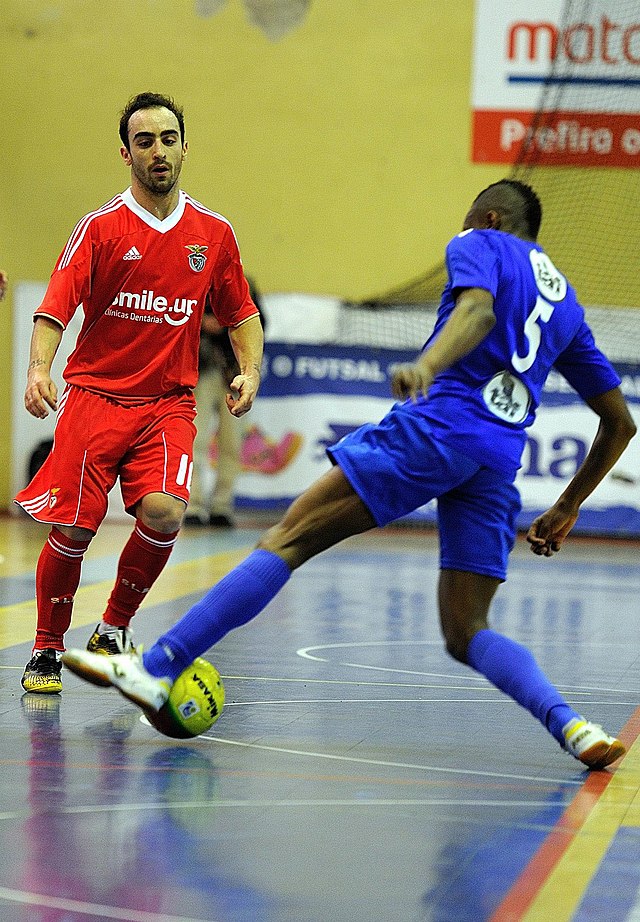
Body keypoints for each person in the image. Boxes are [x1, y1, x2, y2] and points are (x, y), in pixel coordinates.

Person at [63, 179, 636, 769]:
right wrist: (568, 505)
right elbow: (619, 423)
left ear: (490, 217)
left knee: (287, 539)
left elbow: (478, 308)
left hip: (436, 429)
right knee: (468, 630)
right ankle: (573, 726)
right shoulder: (566, 303)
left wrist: (427, 363)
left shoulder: (480, 241)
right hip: (494, 463)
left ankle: (156, 668)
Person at [16, 92, 264, 694]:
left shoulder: (214, 233)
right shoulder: (100, 228)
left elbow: (241, 312)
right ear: (126, 153)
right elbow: (55, 306)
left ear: (184, 148)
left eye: (169, 139)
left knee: (163, 511)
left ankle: (112, 629)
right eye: (146, 141)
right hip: (96, 398)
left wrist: (249, 370)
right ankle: (47, 649)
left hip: (170, 404)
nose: (159, 151)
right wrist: (37, 369)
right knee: (73, 529)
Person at [185, 277, 266, 528]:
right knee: (194, 438)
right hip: (203, 369)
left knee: (232, 441)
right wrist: (203, 323)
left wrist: (226, 323)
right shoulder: (197, 282)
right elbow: (180, 319)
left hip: (234, 373)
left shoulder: (246, 286)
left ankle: (222, 505)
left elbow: (260, 325)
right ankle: (194, 505)